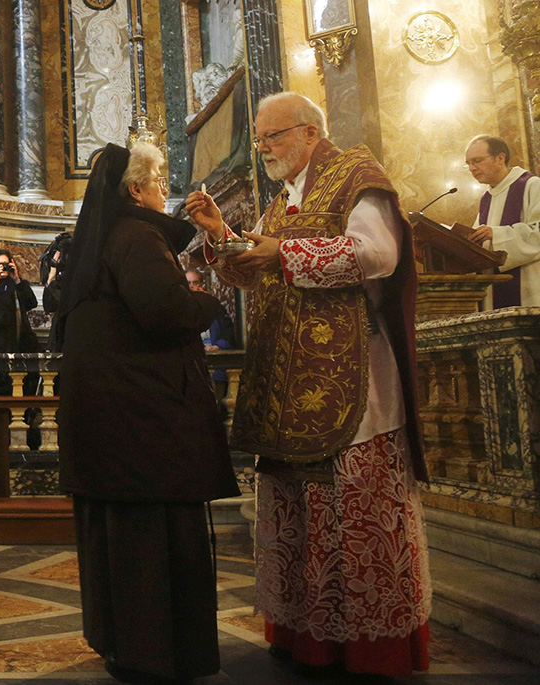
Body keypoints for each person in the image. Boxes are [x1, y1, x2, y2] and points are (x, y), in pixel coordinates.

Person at [187, 92, 430, 677]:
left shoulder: (355, 175)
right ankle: (307, 634)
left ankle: (370, 647)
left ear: (310, 133)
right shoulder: (281, 202)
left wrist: (285, 252)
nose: (264, 148)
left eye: (272, 136)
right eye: (262, 138)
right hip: (290, 377)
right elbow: (262, 270)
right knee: (299, 511)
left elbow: (379, 254)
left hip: (354, 376)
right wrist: (224, 237)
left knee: (353, 508)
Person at [55, 142, 240, 684]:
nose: (166, 191)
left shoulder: (104, 240)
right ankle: (155, 652)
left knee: (125, 539)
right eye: (159, 182)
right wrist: (205, 303)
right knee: (152, 541)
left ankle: (127, 645)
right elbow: (165, 310)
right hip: (145, 428)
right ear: (135, 190)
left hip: (115, 426)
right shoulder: (136, 235)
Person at [464, 134, 540, 307]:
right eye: (468, 163)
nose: (472, 168)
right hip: (493, 295)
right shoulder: (487, 198)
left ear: (500, 158)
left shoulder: (532, 186)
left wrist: (495, 235)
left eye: (477, 160)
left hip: (529, 293)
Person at [0, 248, 38, 354]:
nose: (4, 267)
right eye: (0, 264)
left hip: (20, 340)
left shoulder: (15, 285)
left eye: (6, 264)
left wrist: (17, 280)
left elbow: (31, 303)